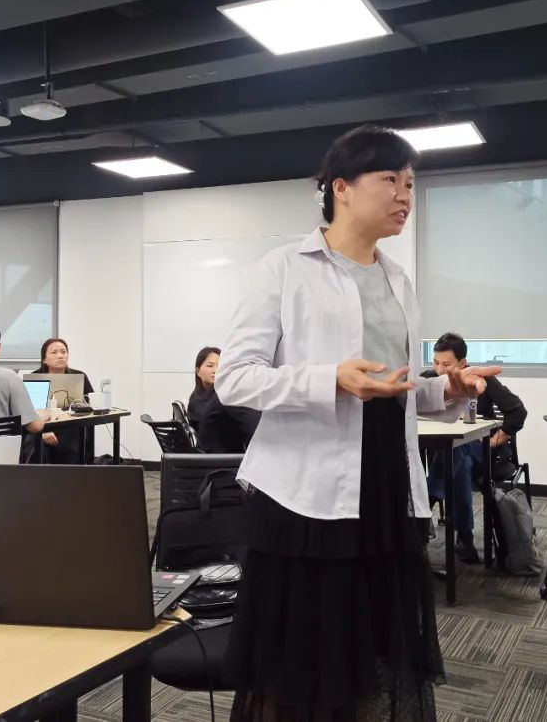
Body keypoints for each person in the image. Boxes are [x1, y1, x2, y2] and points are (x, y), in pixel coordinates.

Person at [216, 125, 499, 721]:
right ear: (340, 187)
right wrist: (331, 379)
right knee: (301, 652)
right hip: (303, 490)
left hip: (386, 478)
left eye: (411, 184)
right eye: (390, 179)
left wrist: (445, 389)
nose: (404, 195)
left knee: (369, 644)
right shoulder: (283, 268)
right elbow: (234, 379)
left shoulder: (397, 280)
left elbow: (395, 387)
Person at [422, 332, 526, 563]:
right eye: (436, 363)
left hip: (484, 454)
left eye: (446, 364)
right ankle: (464, 539)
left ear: (463, 363)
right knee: (458, 458)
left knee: (458, 451)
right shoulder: (429, 380)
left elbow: (518, 411)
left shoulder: (481, 380)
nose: (439, 370)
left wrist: (493, 441)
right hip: (451, 455)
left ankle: (427, 502)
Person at [30, 337, 93, 464]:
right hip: (42, 426)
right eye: (54, 352)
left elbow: (89, 406)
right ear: (44, 359)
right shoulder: (35, 377)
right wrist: (43, 431)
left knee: (68, 444)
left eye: (63, 352)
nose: (60, 356)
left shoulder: (78, 376)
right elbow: (30, 411)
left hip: (71, 427)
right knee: (36, 445)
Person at [187, 346, 260, 454]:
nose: (215, 370)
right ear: (198, 371)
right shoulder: (222, 397)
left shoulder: (217, 395)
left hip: (213, 455)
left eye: (220, 366)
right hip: (220, 458)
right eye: (210, 366)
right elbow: (255, 430)